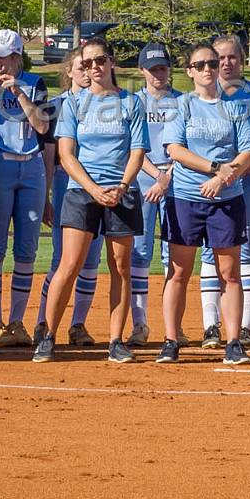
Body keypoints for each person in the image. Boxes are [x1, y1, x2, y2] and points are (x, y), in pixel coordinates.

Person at [33, 36, 149, 363]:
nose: (94, 67)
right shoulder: (73, 103)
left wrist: (122, 186)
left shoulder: (131, 102)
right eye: (87, 63)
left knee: (121, 267)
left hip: (121, 192)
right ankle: (49, 335)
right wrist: (93, 189)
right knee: (69, 264)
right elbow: (67, 156)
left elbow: (137, 151)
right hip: (81, 191)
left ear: (111, 62)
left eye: (100, 60)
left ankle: (115, 341)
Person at [159, 42, 250, 366]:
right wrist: (215, 169)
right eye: (200, 64)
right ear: (189, 71)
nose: (207, 70)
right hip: (186, 198)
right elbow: (175, 149)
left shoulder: (232, 107)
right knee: (178, 271)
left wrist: (224, 179)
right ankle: (171, 340)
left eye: (212, 64)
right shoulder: (183, 106)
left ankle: (233, 343)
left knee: (229, 273)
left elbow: (248, 152)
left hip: (226, 199)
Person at [0, 29, 51, 349]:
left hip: (31, 167)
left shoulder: (36, 84)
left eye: (0, 56)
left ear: (17, 57)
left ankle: (17, 321)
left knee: (26, 249)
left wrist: (18, 92)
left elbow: (43, 127)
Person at [197, 34, 250, 349]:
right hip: (207, 184)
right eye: (219, 58)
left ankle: (245, 327)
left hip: (245, 183)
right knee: (208, 251)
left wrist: (225, 175)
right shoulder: (201, 97)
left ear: (241, 60)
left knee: (246, 252)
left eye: (231, 57)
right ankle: (210, 326)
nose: (225, 63)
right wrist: (213, 174)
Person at [35, 46, 107, 344]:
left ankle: (78, 324)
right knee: (62, 258)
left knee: (91, 258)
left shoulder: (105, 104)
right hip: (67, 184)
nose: (88, 71)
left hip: (100, 184)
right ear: (69, 71)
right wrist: (46, 196)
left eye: (92, 65)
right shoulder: (55, 106)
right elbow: (50, 156)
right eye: (81, 66)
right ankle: (44, 322)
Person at [131, 43, 182, 347]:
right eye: (152, 69)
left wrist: (168, 176)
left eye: (162, 68)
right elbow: (133, 147)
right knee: (140, 251)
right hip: (142, 179)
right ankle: (140, 324)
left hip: (177, 179)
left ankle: (171, 327)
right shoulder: (133, 102)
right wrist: (157, 176)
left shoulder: (183, 102)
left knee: (174, 254)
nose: (158, 74)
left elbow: (185, 144)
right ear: (142, 71)